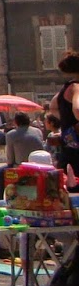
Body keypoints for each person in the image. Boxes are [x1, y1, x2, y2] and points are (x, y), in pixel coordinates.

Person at [0, 111, 48, 197]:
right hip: (40, 164)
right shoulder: (38, 131)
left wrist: (10, 164)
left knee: (0, 171)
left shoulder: (11, 134)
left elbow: (10, 158)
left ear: (16, 122)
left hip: (20, 166)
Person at [51, 52, 79, 186]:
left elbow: (53, 107)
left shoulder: (65, 87)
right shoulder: (76, 87)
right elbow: (78, 108)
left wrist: (66, 123)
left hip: (68, 142)